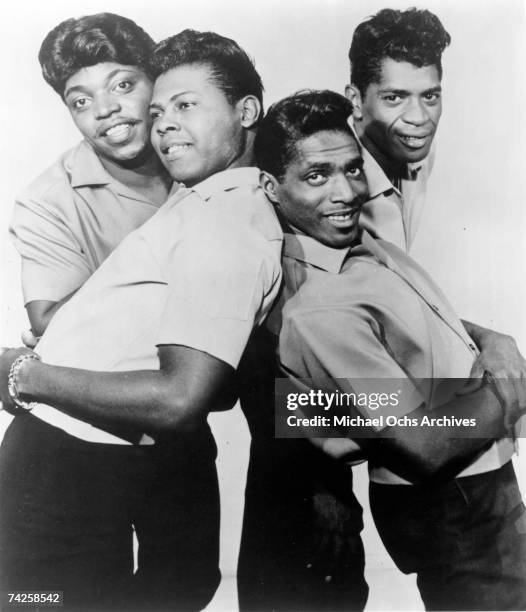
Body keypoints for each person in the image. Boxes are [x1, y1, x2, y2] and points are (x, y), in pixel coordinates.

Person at [238, 8, 526, 611]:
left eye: (431, 96)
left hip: (460, 461)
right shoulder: (313, 231)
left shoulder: (389, 183)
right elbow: (284, 365)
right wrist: (324, 481)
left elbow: (396, 316)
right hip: (434, 478)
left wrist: (487, 338)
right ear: (357, 99)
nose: (416, 119)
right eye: (395, 97)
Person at [0, 29, 282, 612]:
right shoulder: (195, 188)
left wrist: (23, 374)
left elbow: (179, 397)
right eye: (80, 100)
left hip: (132, 431)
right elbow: (58, 321)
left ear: (246, 111)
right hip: (68, 447)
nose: (111, 111)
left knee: (173, 590)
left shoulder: (222, 209)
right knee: (41, 600)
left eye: (129, 88)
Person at [10, 13, 172, 342]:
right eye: (81, 101)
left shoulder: (206, 149)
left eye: (122, 85)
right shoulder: (46, 204)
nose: (104, 109)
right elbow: (50, 325)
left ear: (158, 81)